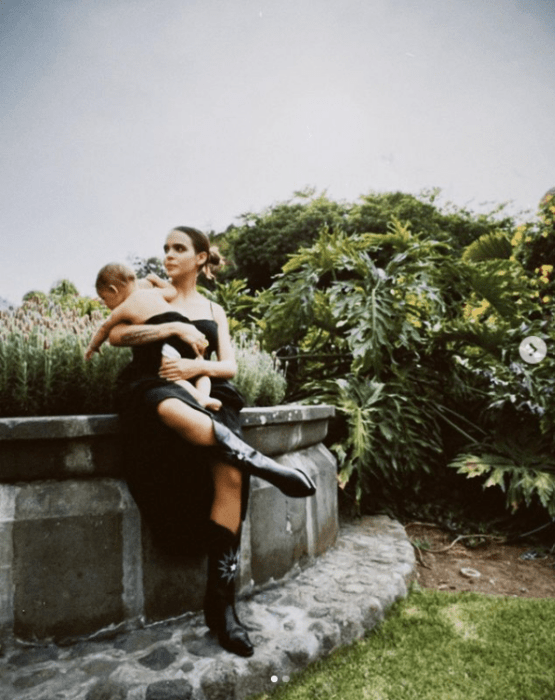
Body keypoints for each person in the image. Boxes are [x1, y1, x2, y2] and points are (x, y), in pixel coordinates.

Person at [106, 226, 316, 658]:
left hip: (209, 391)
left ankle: (220, 607)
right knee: (167, 406)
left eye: (179, 248)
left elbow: (230, 367)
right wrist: (169, 335)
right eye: (164, 247)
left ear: (201, 258)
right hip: (153, 385)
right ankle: (264, 463)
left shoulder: (213, 308)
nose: (168, 255)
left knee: (231, 476)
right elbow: (117, 335)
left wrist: (190, 366)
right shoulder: (149, 292)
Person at [85, 262, 221, 411]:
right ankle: (206, 395)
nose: (105, 303)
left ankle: (199, 399)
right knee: (200, 369)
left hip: (170, 341)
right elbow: (172, 291)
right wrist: (157, 280)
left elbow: (105, 328)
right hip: (190, 331)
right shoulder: (153, 293)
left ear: (114, 290)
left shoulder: (124, 307)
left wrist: (93, 345)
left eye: (104, 298)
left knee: (170, 373)